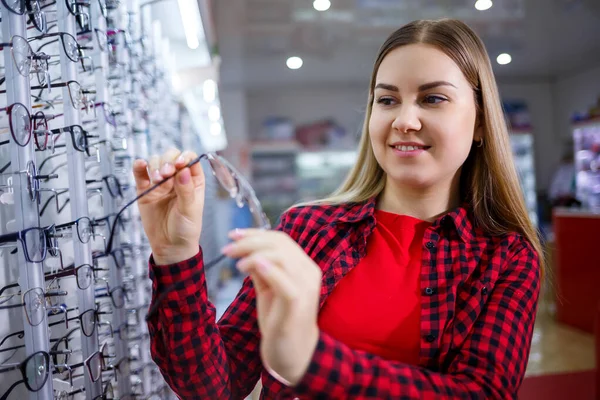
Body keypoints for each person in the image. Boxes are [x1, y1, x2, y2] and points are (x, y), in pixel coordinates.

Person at [133, 18, 543, 399]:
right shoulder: (306, 230)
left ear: (480, 124)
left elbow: (480, 393)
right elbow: (213, 387)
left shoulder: (506, 256)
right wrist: (176, 255)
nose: (404, 120)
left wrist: (311, 360)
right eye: (387, 100)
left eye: (432, 98)